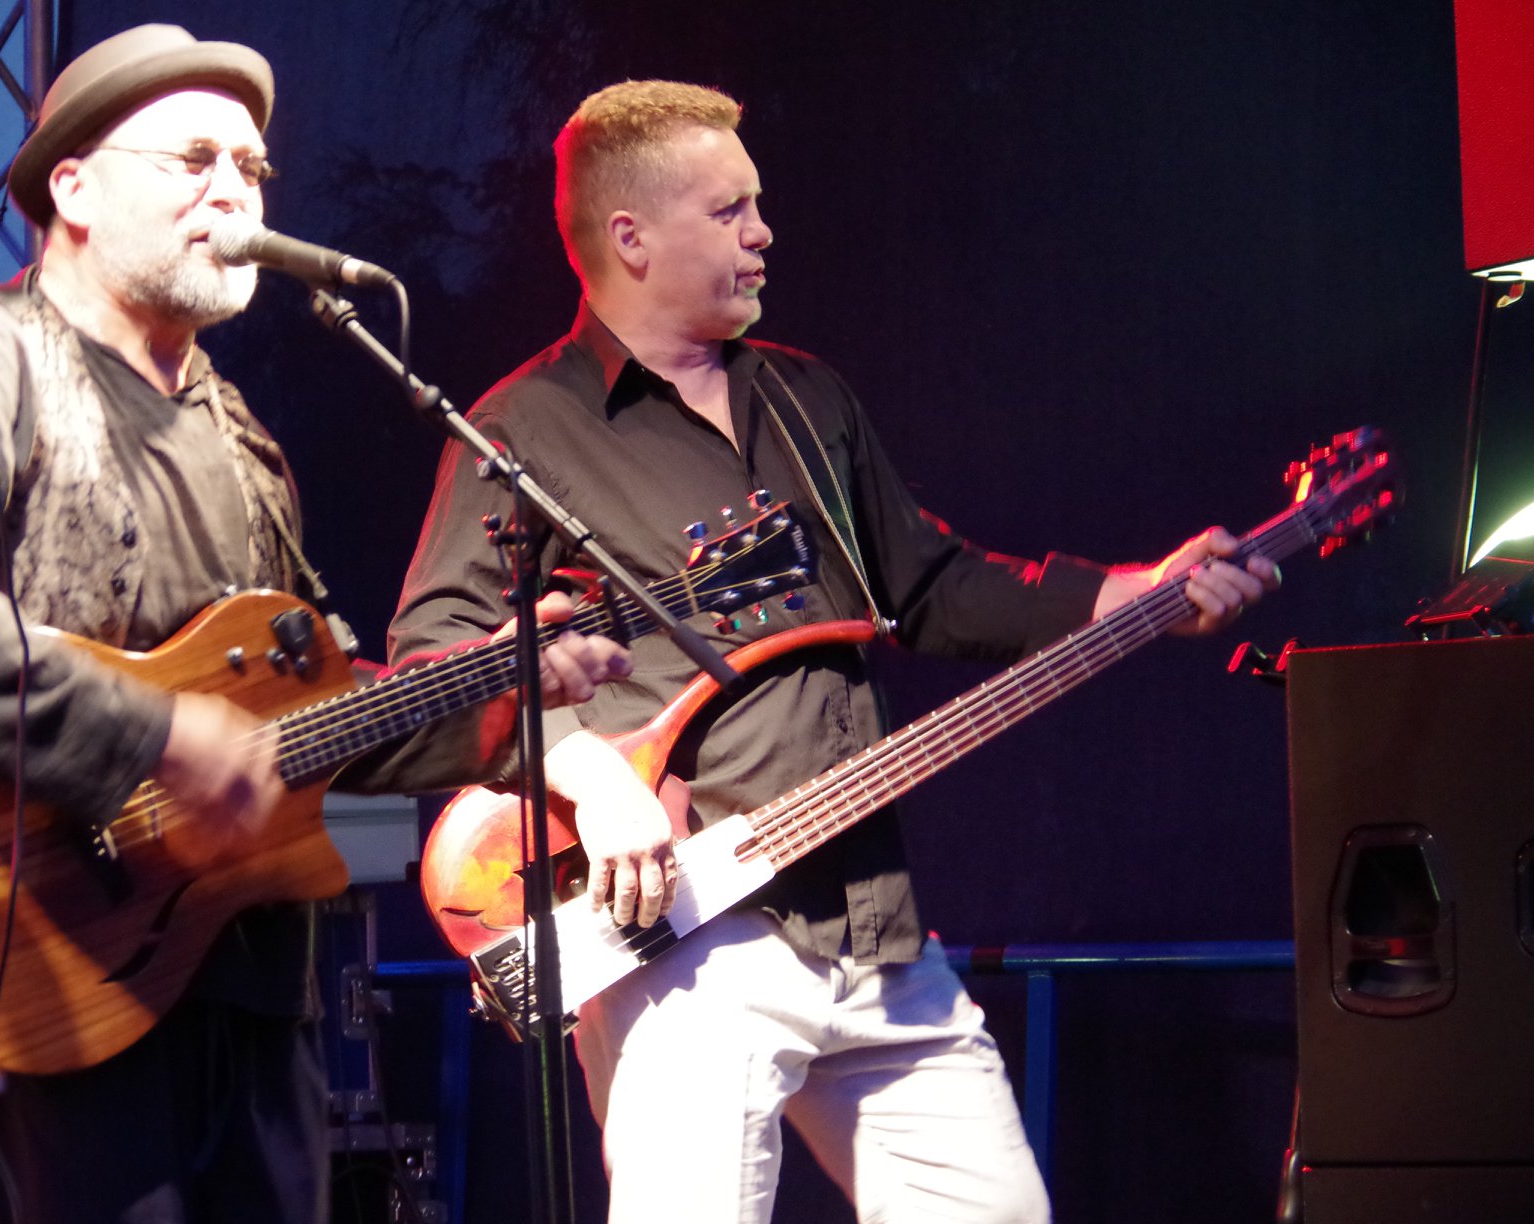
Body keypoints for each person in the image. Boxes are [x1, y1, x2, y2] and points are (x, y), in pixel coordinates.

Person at [387, 80, 1280, 1224]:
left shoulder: (810, 398)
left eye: (756, 205)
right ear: (631, 237)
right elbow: (435, 657)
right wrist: (592, 778)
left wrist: (1137, 593)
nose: (763, 233)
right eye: (729, 211)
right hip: (685, 940)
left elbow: (928, 584)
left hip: (872, 920)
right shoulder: (524, 426)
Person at [0, 25, 630, 1224]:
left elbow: (310, 723)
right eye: (194, 159)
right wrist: (153, 737)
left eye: (252, 167)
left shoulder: (241, 436)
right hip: (48, 964)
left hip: (251, 991)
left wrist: (504, 688)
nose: (236, 190)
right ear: (75, 190)